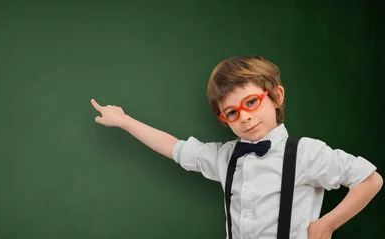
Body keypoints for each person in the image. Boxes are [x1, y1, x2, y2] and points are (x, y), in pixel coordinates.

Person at [90, 55, 382, 239]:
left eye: (251, 102)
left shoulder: (307, 153)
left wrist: (327, 224)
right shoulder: (225, 157)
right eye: (231, 112)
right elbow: (175, 148)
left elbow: (370, 179)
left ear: (276, 96)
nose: (245, 116)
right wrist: (125, 121)